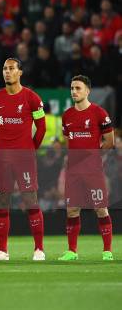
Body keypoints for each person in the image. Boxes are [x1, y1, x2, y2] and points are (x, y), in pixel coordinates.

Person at [0, 58, 47, 261]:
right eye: (4, 68)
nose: (7, 72)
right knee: (2, 201)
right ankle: (2, 250)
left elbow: (42, 128)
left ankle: (39, 249)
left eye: (12, 68)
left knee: (30, 199)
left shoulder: (31, 98)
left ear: (20, 72)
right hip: (3, 157)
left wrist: (30, 148)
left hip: (24, 158)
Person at [58, 75, 115, 261]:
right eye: (72, 88)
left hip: (93, 170)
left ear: (87, 91)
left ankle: (107, 251)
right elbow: (68, 141)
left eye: (78, 88)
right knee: (72, 210)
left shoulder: (99, 113)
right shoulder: (66, 115)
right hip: (73, 170)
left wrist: (92, 155)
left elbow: (110, 141)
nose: (74, 91)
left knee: (101, 209)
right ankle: (72, 251)